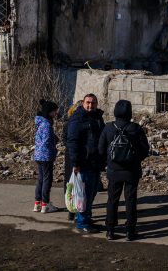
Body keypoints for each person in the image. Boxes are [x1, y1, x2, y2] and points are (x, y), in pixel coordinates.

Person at [97, 99, 150, 241]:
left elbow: (101, 149)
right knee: (131, 200)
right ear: (129, 112)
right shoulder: (135, 128)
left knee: (112, 200)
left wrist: (109, 160)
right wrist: (135, 159)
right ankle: (130, 231)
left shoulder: (108, 127)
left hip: (114, 170)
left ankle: (110, 230)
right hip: (131, 171)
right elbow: (145, 149)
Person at [65, 93, 104, 233]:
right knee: (85, 194)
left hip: (94, 162)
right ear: (83, 103)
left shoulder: (97, 117)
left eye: (93, 103)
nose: (90, 105)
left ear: (96, 104)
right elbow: (72, 142)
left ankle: (86, 218)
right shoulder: (78, 119)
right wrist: (75, 163)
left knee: (91, 192)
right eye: (88, 102)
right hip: (84, 163)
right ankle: (82, 223)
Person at [32, 100, 59, 213]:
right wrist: (54, 146)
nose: (55, 113)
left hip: (38, 154)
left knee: (41, 179)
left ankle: (37, 203)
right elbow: (46, 141)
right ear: (49, 112)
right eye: (54, 111)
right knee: (47, 179)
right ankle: (45, 204)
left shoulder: (40, 122)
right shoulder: (47, 125)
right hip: (46, 155)